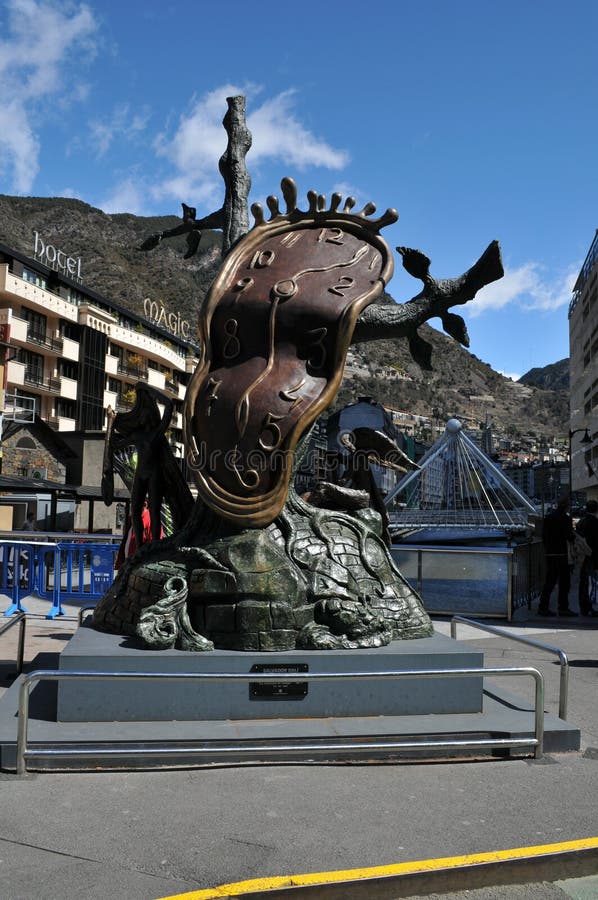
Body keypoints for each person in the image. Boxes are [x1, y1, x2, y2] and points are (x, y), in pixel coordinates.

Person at [538, 495, 577, 617]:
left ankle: (543, 607)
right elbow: (569, 536)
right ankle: (563, 608)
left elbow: (543, 535)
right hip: (561, 554)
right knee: (564, 582)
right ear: (566, 506)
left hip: (550, 553)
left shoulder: (549, 517)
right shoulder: (566, 518)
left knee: (549, 582)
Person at [115, 501, 163, 570]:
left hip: (138, 566)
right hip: (129, 563)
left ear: (145, 505)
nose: (132, 507)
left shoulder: (151, 520)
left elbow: (153, 546)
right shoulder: (133, 519)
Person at [577, 499, 598, 616]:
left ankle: (583, 606)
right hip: (592, 556)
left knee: (583, 581)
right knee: (591, 582)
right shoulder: (595, 523)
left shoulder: (581, 522)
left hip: (581, 556)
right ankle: (589, 606)